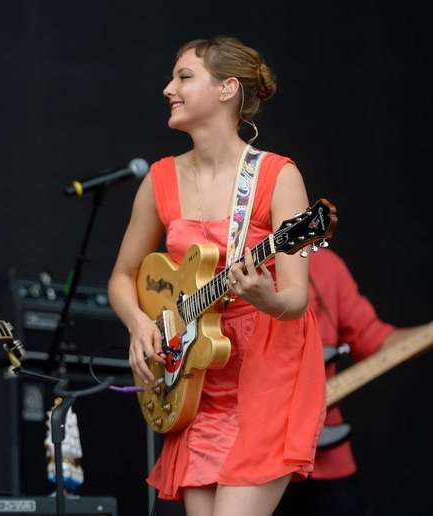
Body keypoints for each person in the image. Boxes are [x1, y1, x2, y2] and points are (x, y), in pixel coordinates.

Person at [107, 37, 326, 516]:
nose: (169, 88)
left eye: (184, 77)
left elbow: (295, 299)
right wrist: (141, 325)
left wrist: (267, 298)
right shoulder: (160, 179)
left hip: (263, 372)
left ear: (228, 89)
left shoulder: (277, 175)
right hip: (195, 374)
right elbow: (122, 276)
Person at [274, 248, 433, 515]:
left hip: (327, 461)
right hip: (256, 465)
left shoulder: (327, 264)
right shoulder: (231, 269)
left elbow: (373, 338)